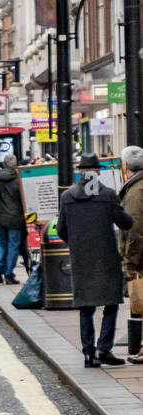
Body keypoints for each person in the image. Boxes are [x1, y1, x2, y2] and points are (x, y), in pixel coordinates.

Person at [58, 154, 134, 368]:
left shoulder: (68, 196)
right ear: (97, 172)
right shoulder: (107, 195)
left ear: (80, 172)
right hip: (106, 257)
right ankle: (104, 349)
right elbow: (126, 223)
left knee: (86, 307)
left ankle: (89, 354)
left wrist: (76, 243)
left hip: (81, 258)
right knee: (111, 303)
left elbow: (61, 228)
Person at [118, 146, 143, 363]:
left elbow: (134, 229)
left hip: (140, 257)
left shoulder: (136, 191)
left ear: (125, 165)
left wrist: (130, 261)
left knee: (141, 301)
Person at [0, 155, 27, 285]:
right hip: (15, 217)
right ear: (15, 165)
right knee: (13, 245)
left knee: (2, 242)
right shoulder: (18, 180)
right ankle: (9, 274)